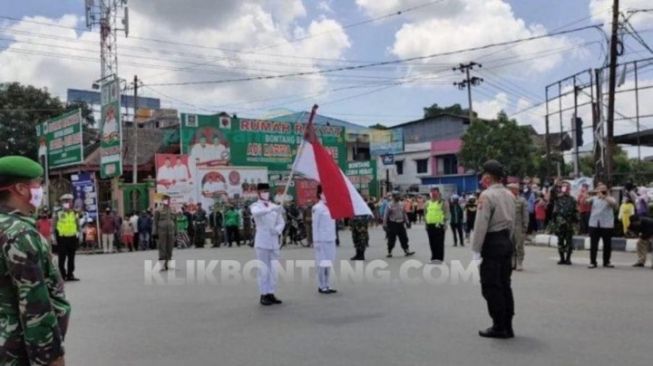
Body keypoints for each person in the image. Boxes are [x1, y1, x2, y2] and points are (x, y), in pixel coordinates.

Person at [0, 155, 71, 366]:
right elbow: (34, 305)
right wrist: (51, 358)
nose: (41, 189)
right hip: (15, 351)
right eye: (38, 183)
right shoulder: (19, 233)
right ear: (21, 189)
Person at [472, 160, 516, 339]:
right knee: (505, 285)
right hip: (506, 241)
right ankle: (508, 325)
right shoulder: (509, 194)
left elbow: (481, 224)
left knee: (491, 286)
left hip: (492, 243)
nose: (482, 179)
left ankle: (499, 326)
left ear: (488, 178)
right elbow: (513, 222)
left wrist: (476, 249)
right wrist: (508, 241)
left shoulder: (486, 195)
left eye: (484, 175)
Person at [250, 183, 285, 306]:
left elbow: (281, 222)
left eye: (267, 190)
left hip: (274, 241)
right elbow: (257, 213)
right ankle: (263, 294)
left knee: (273, 269)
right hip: (262, 242)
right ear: (258, 193)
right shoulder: (255, 206)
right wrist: (271, 209)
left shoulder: (274, 206)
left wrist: (277, 230)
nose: (265, 193)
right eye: (263, 191)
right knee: (263, 269)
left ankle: (271, 293)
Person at [312, 186, 338, 294]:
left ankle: (327, 284)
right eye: (323, 192)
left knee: (329, 263)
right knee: (321, 264)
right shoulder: (317, 208)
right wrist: (316, 241)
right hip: (321, 240)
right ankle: (321, 285)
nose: (326, 194)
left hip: (330, 239)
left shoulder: (331, 207)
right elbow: (315, 225)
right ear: (319, 194)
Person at [586, 183, 618, 268]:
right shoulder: (594, 198)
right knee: (593, 245)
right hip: (594, 224)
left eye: (604, 189)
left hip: (606, 225)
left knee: (607, 245)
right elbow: (586, 201)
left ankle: (606, 262)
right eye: (600, 189)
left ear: (607, 190)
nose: (602, 190)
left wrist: (604, 197)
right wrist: (592, 193)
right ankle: (593, 262)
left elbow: (614, 204)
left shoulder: (610, 198)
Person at [54, 193, 81, 281]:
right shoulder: (58, 213)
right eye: (65, 201)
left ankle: (70, 274)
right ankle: (62, 275)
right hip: (62, 238)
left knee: (71, 257)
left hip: (72, 237)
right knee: (62, 258)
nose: (68, 203)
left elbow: (77, 224)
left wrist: (79, 234)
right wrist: (53, 237)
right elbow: (53, 226)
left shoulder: (74, 213)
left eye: (69, 201)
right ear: (62, 203)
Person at [550, 182, 578, 265]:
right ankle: (562, 258)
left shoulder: (572, 199)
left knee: (569, 242)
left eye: (567, 188)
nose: (565, 189)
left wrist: (576, 223)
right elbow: (552, 193)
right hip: (560, 223)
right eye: (563, 187)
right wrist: (555, 184)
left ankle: (568, 259)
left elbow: (576, 212)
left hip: (569, 223)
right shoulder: (557, 198)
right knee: (560, 241)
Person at [383, 192, 415, 258]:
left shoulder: (401, 204)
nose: (398, 197)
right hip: (393, 224)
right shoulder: (389, 205)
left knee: (404, 238)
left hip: (401, 224)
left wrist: (407, 222)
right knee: (391, 239)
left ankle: (407, 251)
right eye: (397, 196)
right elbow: (385, 215)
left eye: (399, 195)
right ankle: (389, 252)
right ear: (394, 197)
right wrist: (384, 224)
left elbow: (404, 214)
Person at [507, 183, 529, 271]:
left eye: (511, 189)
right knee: (510, 245)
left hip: (518, 225)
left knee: (519, 245)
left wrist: (525, 226)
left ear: (516, 190)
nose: (509, 191)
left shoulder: (522, 200)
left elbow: (525, 214)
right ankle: (512, 261)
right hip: (509, 226)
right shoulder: (507, 200)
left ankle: (519, 262)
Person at [425, 187, 449, 262]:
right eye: (432, 193)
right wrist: (426, 224)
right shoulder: (427, 203)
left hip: (439, 225)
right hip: (430, 225)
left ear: (438, 193)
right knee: (432, 242)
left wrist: (445, 224)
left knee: (439, 243)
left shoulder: (443, 202)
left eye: (435, 192)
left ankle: (439, 258)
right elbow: (425, 213)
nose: (433, 194)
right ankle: (433, 257)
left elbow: (446, 213)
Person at [154, 196, 176, 271]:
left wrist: (176, 231)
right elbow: (155, 222)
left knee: (170, 247)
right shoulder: (158, 209)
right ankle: (162, 265)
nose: (167, 201)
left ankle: (168, 263)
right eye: (165, 200)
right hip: (161, 231)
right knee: (162, 247)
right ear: (162, 201)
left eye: (168, 200)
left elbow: (175, 221)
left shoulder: (172, 209)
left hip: (171, 231)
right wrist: (154, 232)